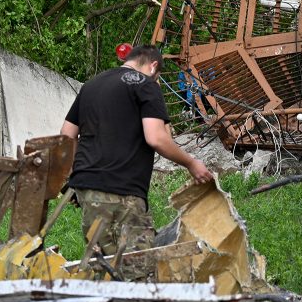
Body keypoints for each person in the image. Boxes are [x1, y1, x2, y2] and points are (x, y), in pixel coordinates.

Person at [60, 45, 213, 262]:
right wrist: (191, 163)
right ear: (153, 66)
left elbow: (67, 135)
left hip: (86, 190)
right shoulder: (146, 85)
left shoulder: (91, 86)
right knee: (137, 270)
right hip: (123, 192)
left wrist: (74, 177)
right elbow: (157, 137)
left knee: (105, 268)